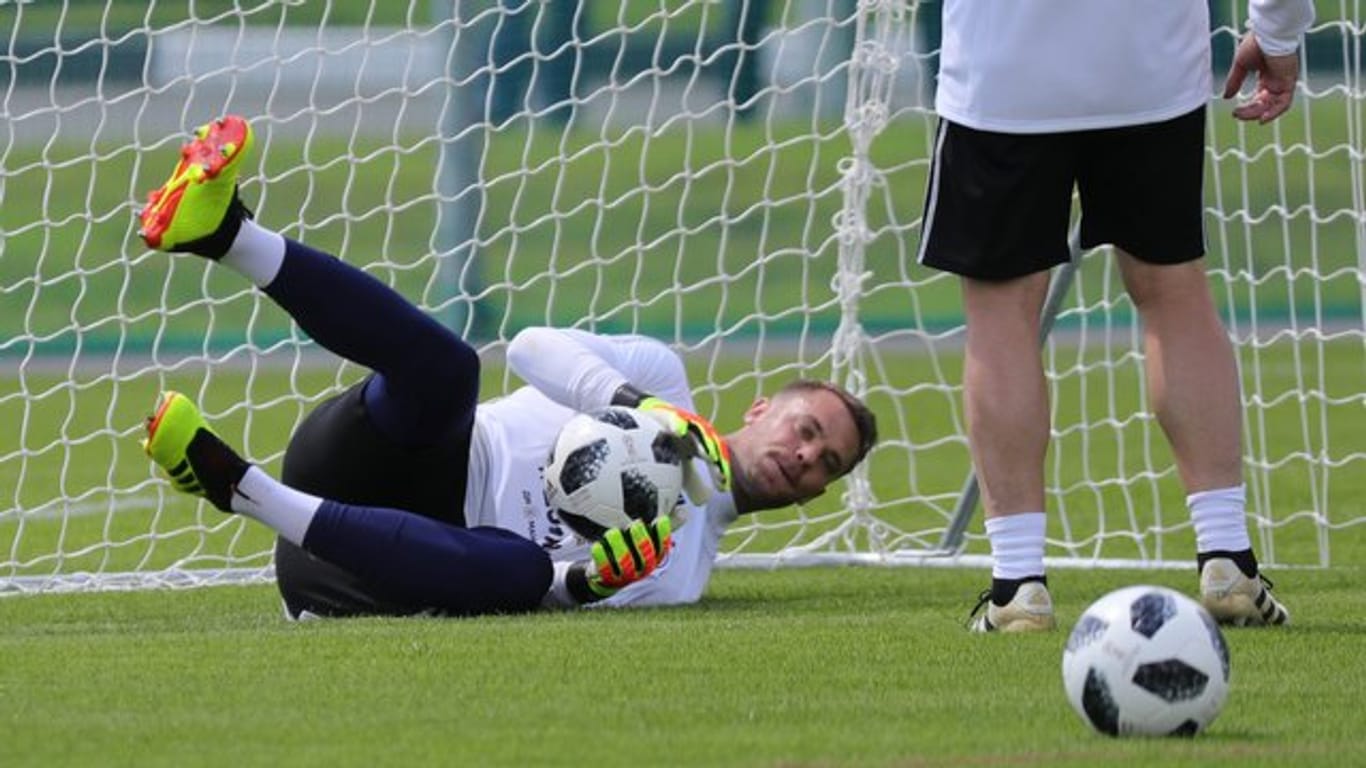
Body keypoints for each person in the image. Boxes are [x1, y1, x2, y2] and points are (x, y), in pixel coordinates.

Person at [136, 115, 878, 619]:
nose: (807, 456)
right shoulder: (661, 376)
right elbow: (527, 348)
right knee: (451, 369)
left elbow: (545, 595)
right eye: (807, 427)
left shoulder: (680, 576)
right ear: (761, 409)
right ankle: (227, 234)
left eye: (827, 463)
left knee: (520, 572)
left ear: (817, 493)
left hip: (351, 573)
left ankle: (238, 488)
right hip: (368, 455)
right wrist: (637, 401)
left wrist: (585, 583)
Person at [917, 1, 1313, 632]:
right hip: (1148, 66)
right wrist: (1278, 30)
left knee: (1001, 312)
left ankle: (1019, 583)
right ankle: (1225, 556)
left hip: (1004, 69)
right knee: (1173, 290)